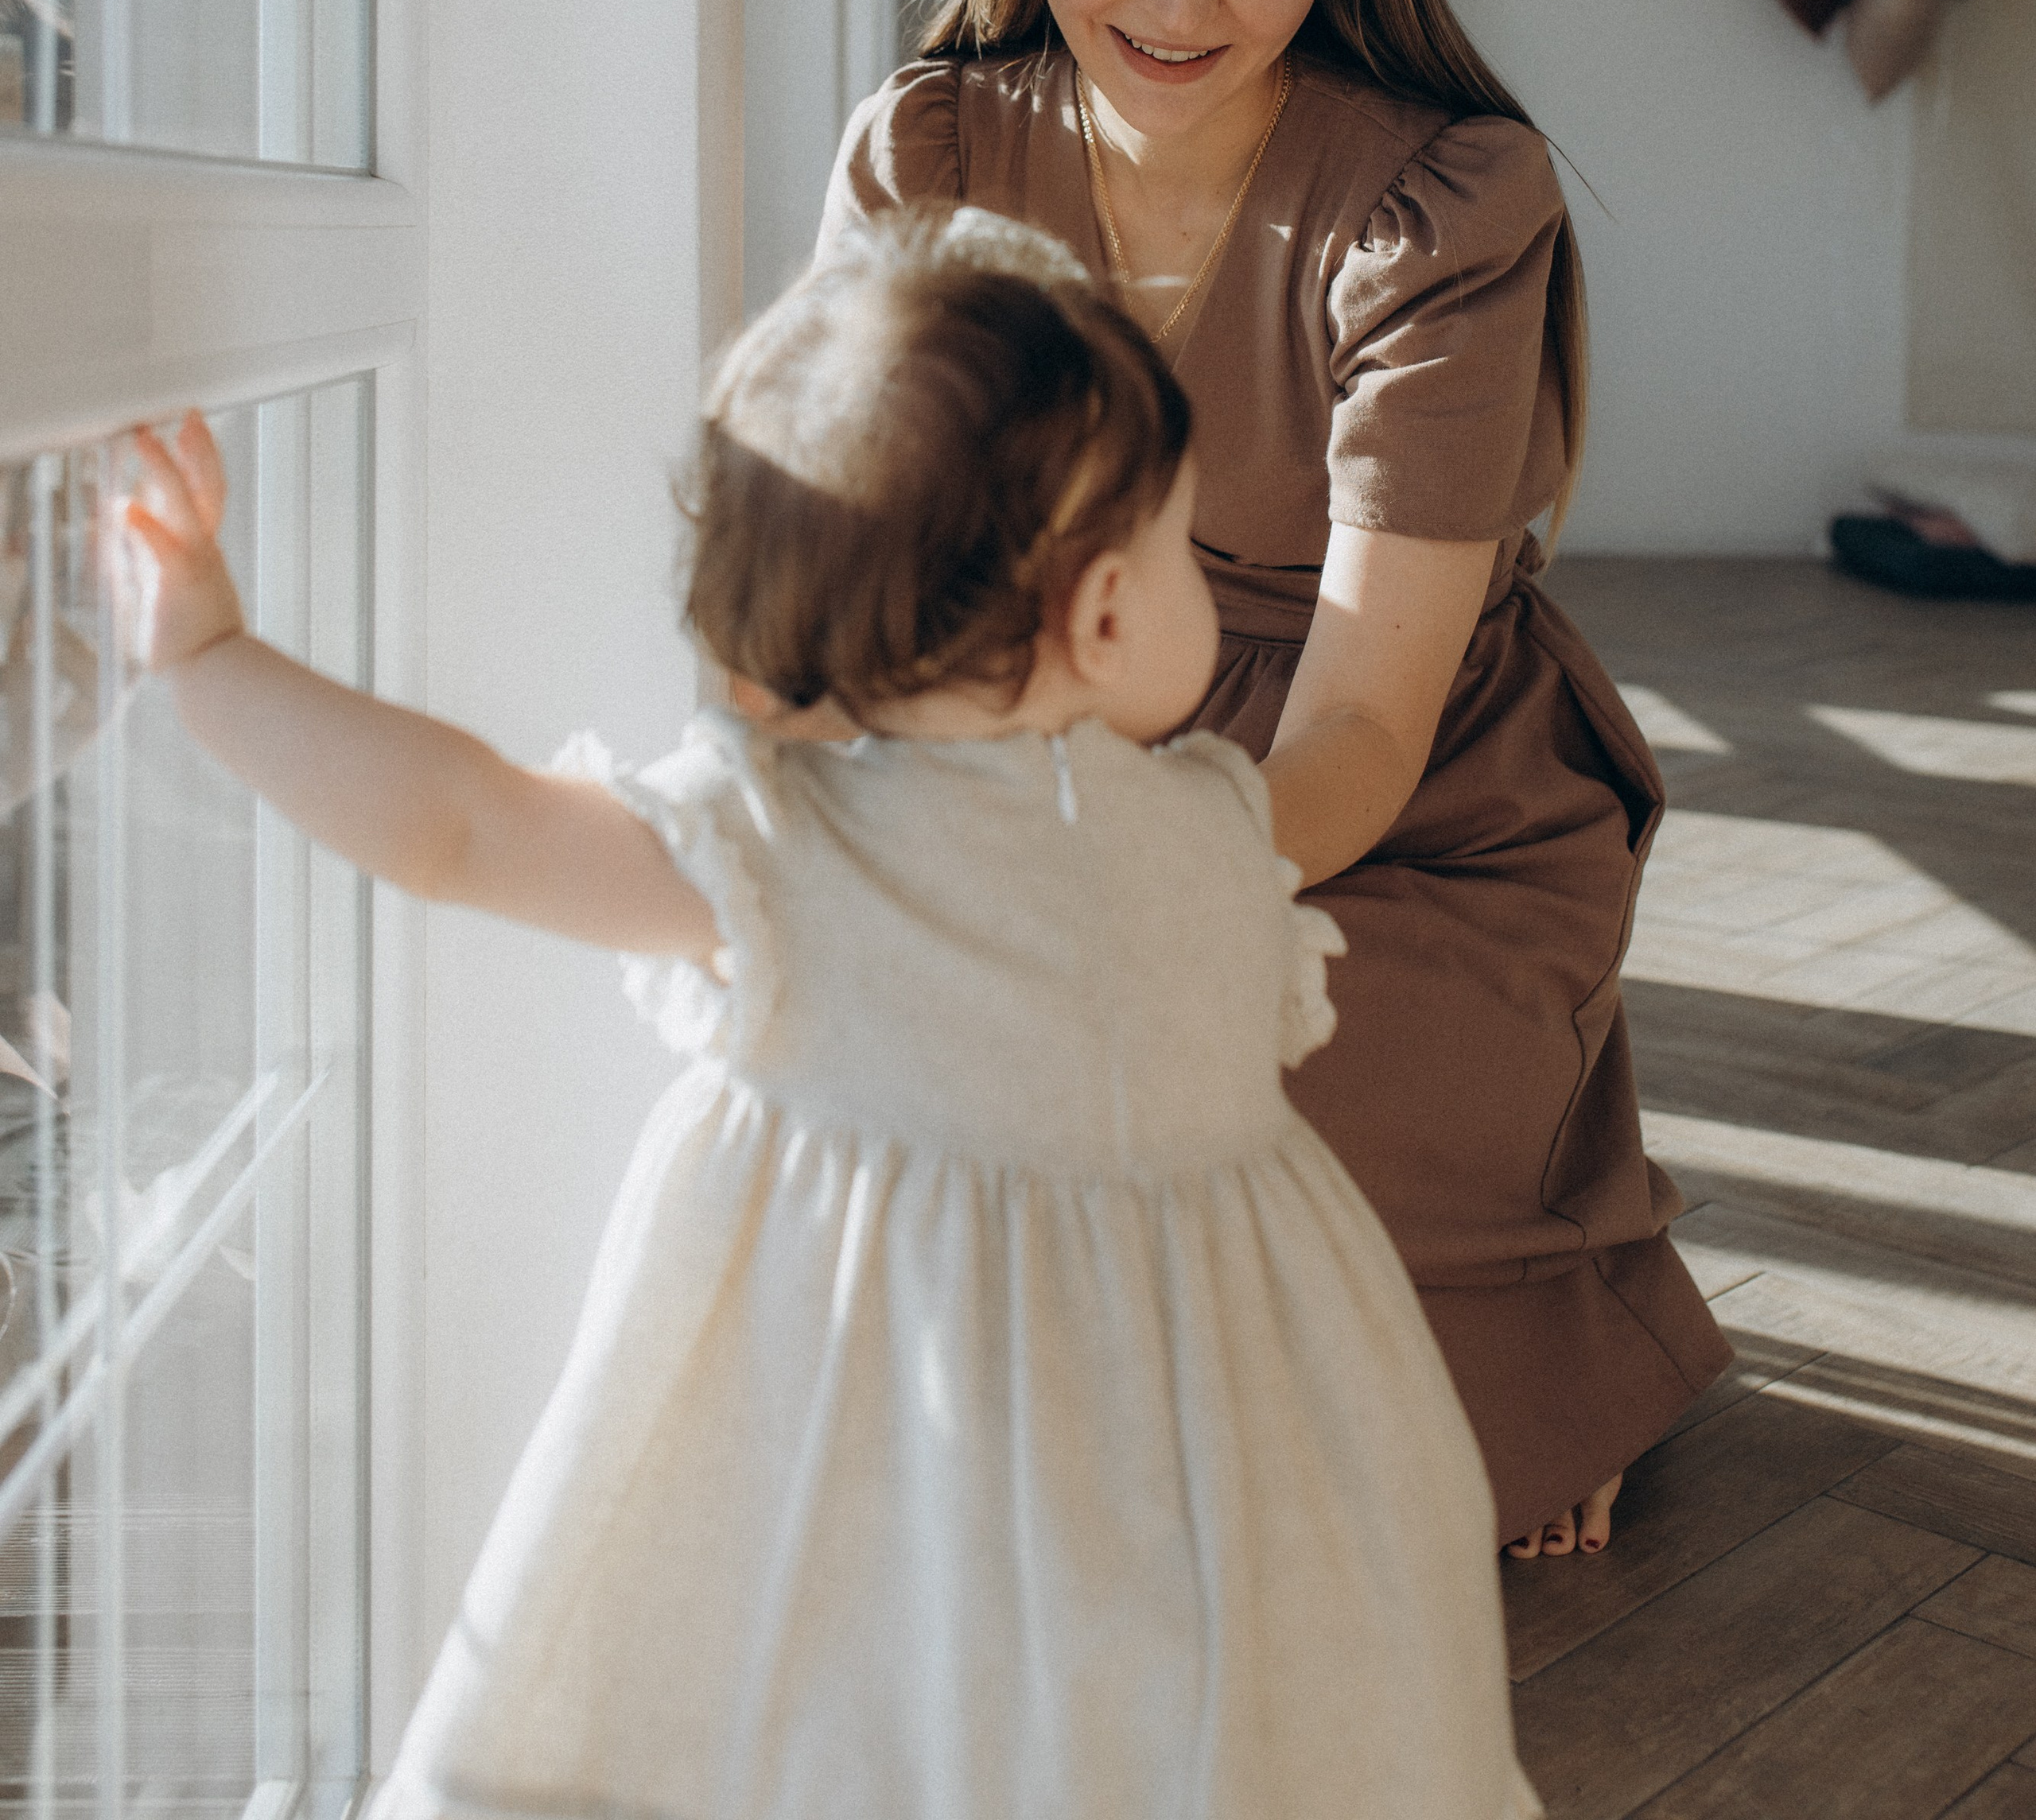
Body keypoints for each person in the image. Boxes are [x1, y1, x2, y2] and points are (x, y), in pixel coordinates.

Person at [126, 211, 1539, 1820]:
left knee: (858, 1713)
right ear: (1098, 617)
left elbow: (461, 828)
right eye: (1182, 549)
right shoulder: (1221, 831)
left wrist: (216, 655)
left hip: (880, 1444)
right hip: (1213, 1460)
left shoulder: (791, 853)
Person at [821, 0, 1732, 1562]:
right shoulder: (923, 148)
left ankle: (1533, 1319)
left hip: (1399, 796)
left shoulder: (1452, 202)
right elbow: (854, 586)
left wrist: (1142, 897)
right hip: (1047, 753)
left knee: (1273, 1088)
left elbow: (1361, 727)